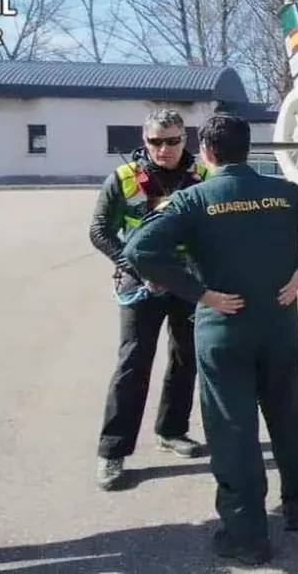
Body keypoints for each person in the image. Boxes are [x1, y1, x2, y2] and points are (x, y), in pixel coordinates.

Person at [121, 114, 298, 566]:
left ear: (206, 153)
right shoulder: (283, 191)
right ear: (248, 149)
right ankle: (297, 504)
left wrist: (199, 293)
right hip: (278, 322)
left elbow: (138, 250)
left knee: (233, 428)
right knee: (288, 412)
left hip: (223, 327)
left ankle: (246, 534)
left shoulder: (192, 199)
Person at [88, 108, 209, 490]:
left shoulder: (203, 177)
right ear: (145, 141)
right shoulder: (123, 179)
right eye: (156, 141)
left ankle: (171, 430)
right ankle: (113, 451)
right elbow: (99, 231)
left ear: (184, 140)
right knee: (133, 362)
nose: (164, 149)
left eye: (172, 140)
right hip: (140, 286)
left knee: (185, 358)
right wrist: (134, 266)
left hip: (187, 283)